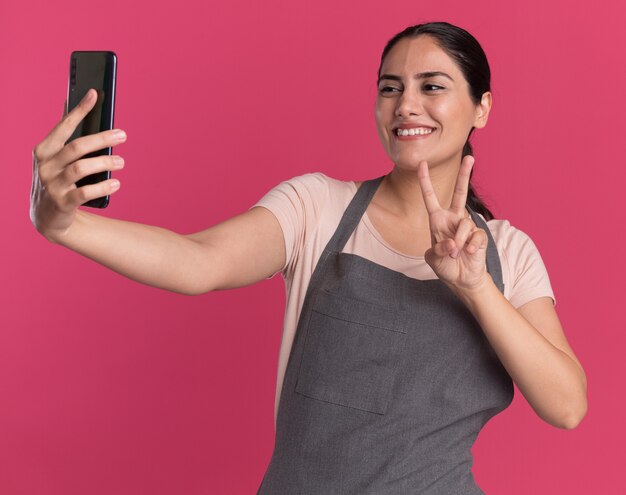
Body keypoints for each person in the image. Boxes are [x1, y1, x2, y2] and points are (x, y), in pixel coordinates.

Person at [31, 21, 587, 495]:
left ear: (481, 107)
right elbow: (197, 261)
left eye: (431, 86)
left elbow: (566, 406)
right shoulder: (317, 207)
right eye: (389, 88)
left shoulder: (507, 253)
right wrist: (67, 224)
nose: (405, 106)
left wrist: (475, 287)